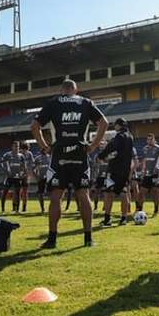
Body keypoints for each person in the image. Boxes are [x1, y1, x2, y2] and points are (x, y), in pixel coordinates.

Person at [31, 79, 108, 248]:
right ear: (76, 90)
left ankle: (52, 239)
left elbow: (34, 126)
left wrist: (44, 147)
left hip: (59, 155)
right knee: (83, 195)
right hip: (80, 154)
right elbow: (104, 123)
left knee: (56, 197)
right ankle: (88, 239)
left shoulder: (53, 102)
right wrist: (93, 146)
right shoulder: (86, 102)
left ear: (62, 90)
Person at [97, 118, 135, 227]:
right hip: (125, 170)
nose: (114, 127)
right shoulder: (130, 137)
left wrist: (101, 156)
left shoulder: (119, 136)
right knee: (123, 194)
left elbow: (111, 146)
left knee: (108, 194)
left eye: (115, 125)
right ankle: (123, 218)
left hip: (114, 169)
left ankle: (107, 219)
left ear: (119, 126)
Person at [137, 134, 159, 215]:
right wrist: (142, 170)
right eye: (148, 139)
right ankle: (140, 210)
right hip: (147, 174)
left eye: (151, 139)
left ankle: (157, 210)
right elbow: (144, 160)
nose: (149, 141)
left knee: (155, 192)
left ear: (154, 140)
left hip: (156, 174)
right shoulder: (144, 149)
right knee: (141, 192)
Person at [1, 141, 26, 213]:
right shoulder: (7, 155)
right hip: (9, 177)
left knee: (17, 193)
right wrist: (6, 171)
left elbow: (23, 166)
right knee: (5, 192)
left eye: (17, 146)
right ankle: (3, 210)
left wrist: (22, 173)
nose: (16, 147)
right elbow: (2, 163)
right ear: (12, 147)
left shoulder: (21, 156)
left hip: (17, 177)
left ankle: (17, 210)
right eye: (15, 146)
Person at [90, 140, 109, 211]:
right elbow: (95, 165)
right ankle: (95, 207)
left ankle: (105, 207)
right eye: (100, 144)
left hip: (107, 176)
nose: (102, 145)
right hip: (99, 175)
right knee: (96, 191)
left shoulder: (109, 153)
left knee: (105, 192)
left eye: (103, 144)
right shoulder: (97, 154)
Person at [34, 149, 51, 213]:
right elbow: (33, 169)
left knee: (52, 193)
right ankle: (42, 209)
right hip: (41, 178)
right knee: (41, 193)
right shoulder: (37, 158)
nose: (45, 150)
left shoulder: (50, 157)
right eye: (44, 149)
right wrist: (37, 177)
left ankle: (51, 208)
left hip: (49, 178)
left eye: (46, 149)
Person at [20, 142, 35, 213]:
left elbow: (32, 164)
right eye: (24, 150)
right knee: (17, 191)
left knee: (25, 192)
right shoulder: (18, 154)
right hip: (18, 175)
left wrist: (30, 173)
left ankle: (24, 208)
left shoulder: (30, 154)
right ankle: (15, 208)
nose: (25, 151)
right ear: (21, 149)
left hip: (26, 175)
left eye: (26, 149)